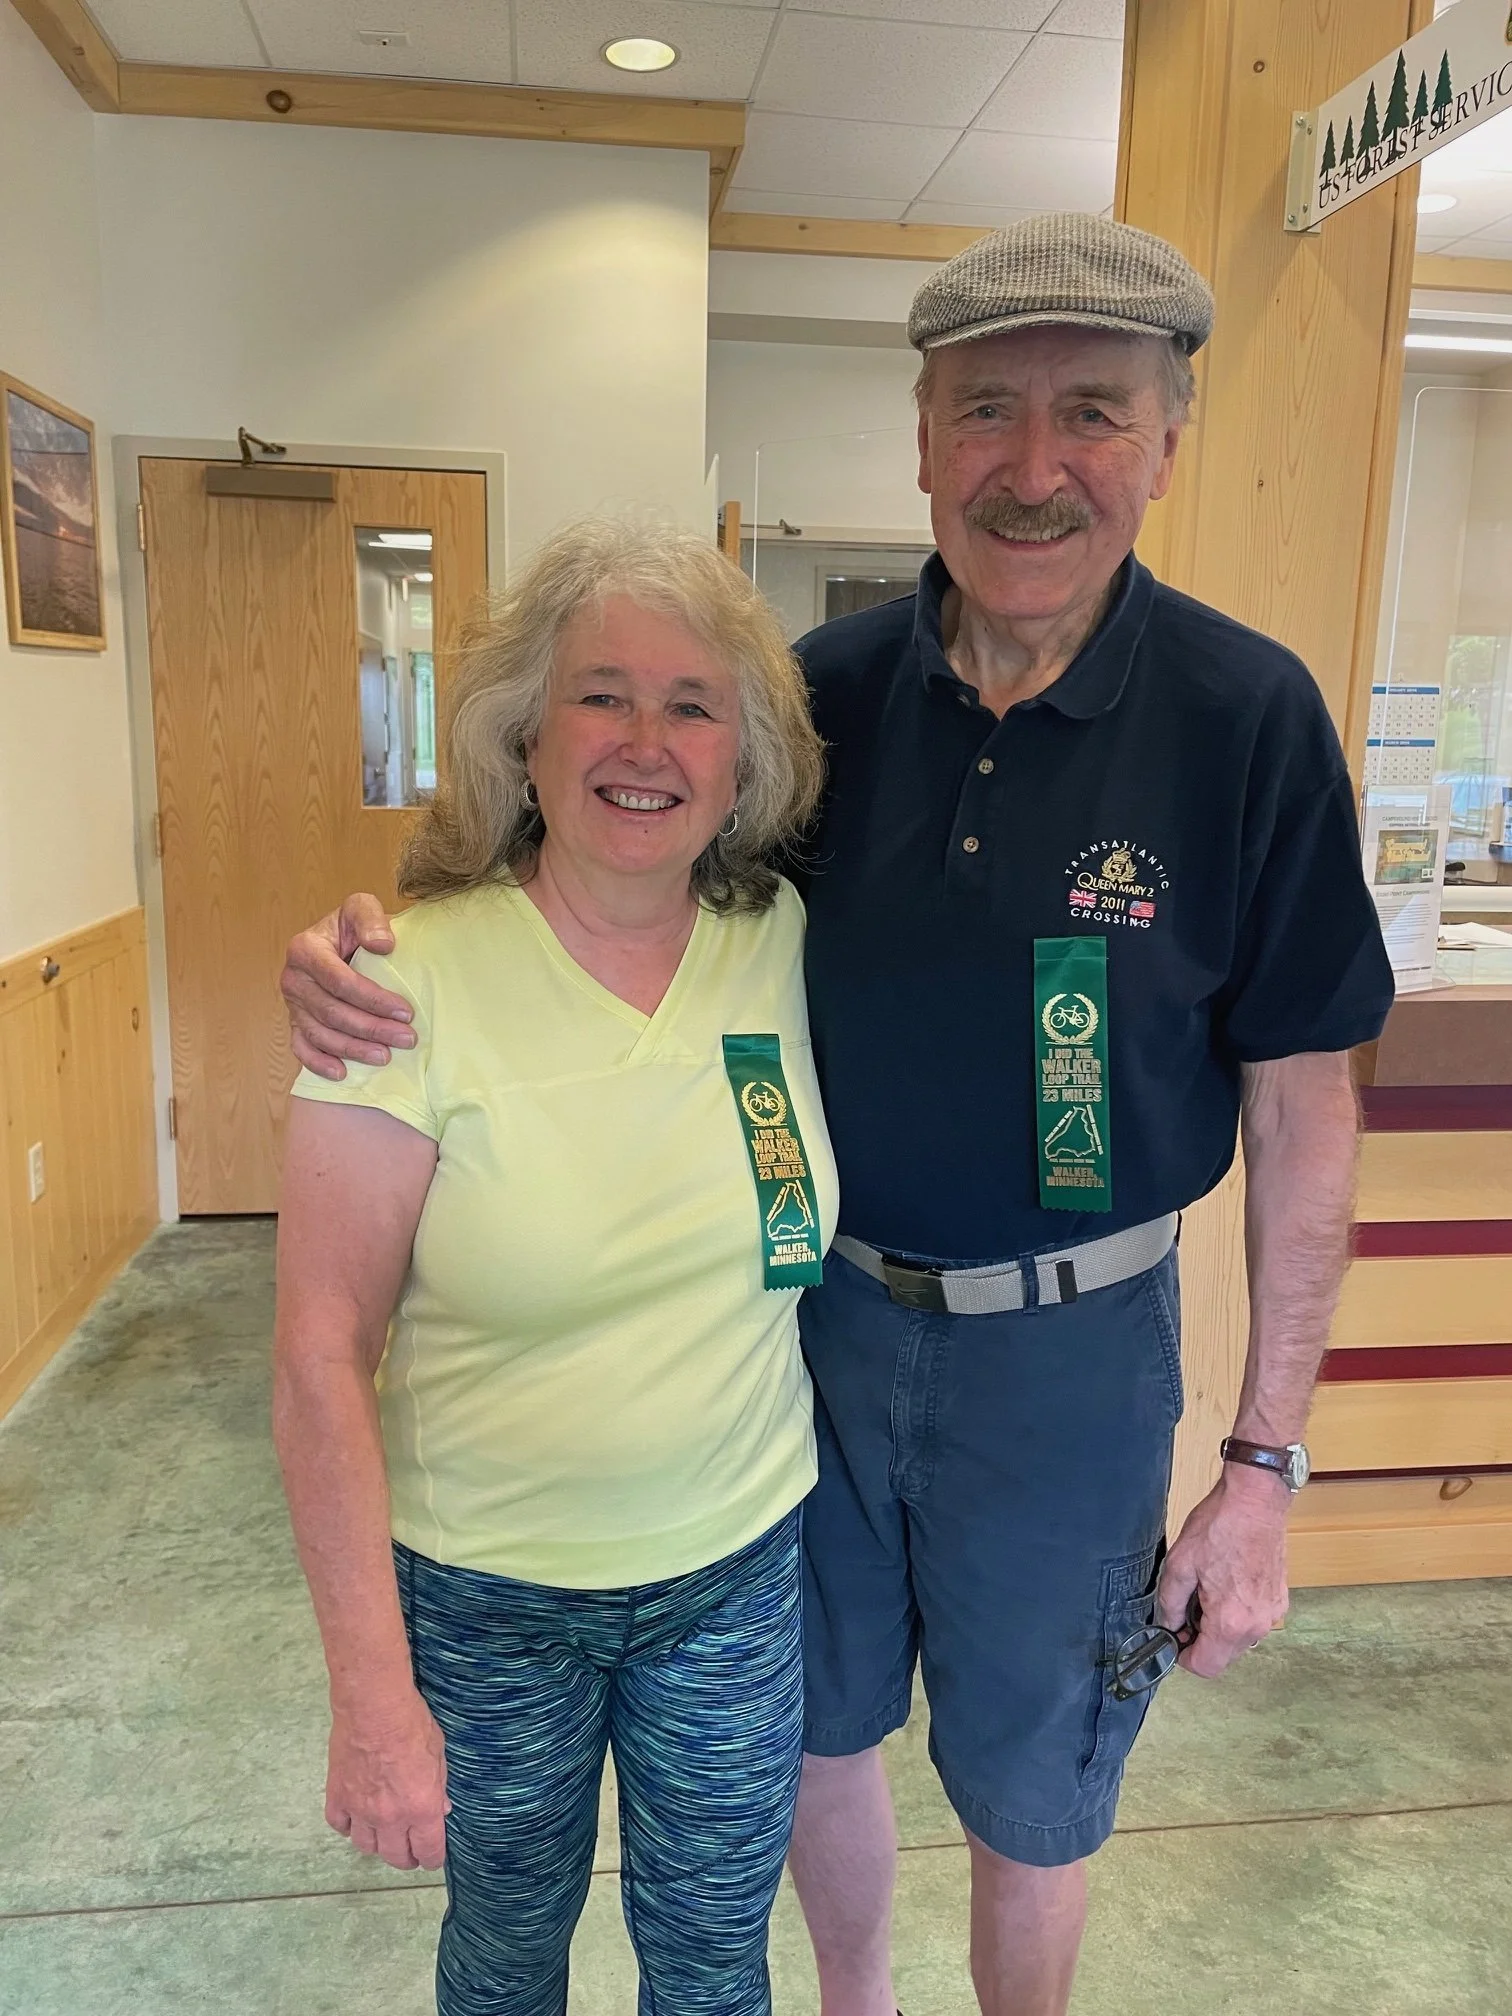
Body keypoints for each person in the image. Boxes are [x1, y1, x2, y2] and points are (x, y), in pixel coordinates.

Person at [281, 214, 1394, 2016]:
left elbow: (1304, 1104)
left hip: (1076, 1352)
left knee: (1041, 1783)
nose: (1035, 471)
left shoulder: (1245, 717)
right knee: (816, 1733)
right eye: (986, 414)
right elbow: (609, 847)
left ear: (1168, 441)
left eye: (1093, 413)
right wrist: (359, 937)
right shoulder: (830, 699)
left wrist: (1263, 1462)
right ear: (924, 437)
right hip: (817, 1334)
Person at [272, 518, 835, 2016]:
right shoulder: (404, 983)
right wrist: (370, 1695)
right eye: (602, 694)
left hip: (735, 1573)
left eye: (693, 704)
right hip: (487, 1595)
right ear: (525, 737)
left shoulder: (781, 938)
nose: (644, 742)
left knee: (716, 1965)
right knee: (509, 1957)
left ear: (742, 762)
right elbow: (319, 1354)